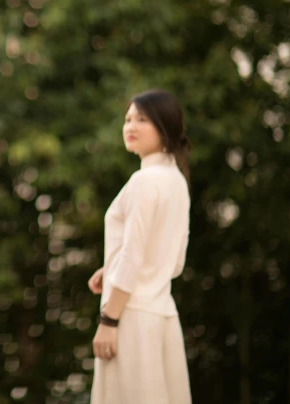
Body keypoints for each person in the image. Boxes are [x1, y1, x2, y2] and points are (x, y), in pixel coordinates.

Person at [89, 89, 192, 404]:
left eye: (142, 119)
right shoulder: (177, 181)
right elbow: (172, 262)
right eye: (128, 119)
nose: (130, 126)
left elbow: (134, 257)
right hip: (162, 316)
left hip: (130, 318)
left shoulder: (144, 182)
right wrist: (112, 267)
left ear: (165, 128)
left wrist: (109, 320)